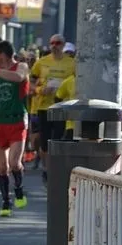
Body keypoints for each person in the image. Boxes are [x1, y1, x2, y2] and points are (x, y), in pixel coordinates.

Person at [0, 40, 30, 216]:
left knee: (14, 163)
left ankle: (18, 188)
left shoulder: (21, 66)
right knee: (1, 167)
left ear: (2, 54)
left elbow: (18, 78)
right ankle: (5, 201)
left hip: (17, 120)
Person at [29, 34, 75, 185]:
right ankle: (46, 168)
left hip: (63, 107)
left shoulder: (71, 63)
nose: (55, 45)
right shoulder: (42, 62)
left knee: (58, 140)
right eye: (52, 43)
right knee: (44, 142)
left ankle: (54, 169)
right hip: (44, 106)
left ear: (63, 45)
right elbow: (30, 82)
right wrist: (39, 90)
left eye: (58, 43)